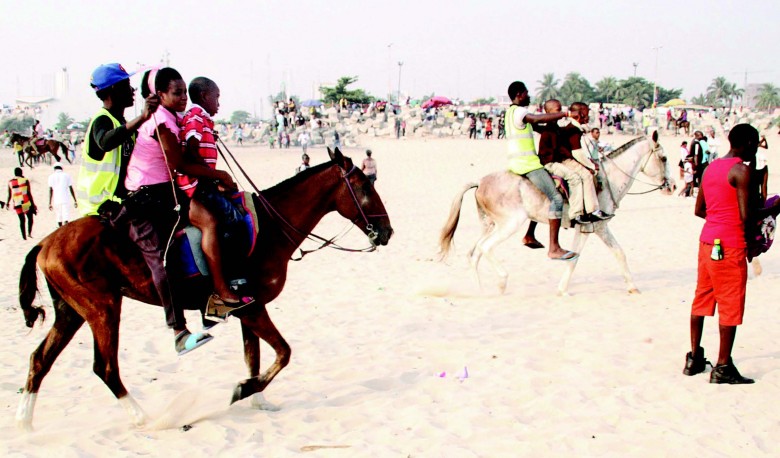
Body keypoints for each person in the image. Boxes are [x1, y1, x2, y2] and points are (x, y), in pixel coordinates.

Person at [125, 67, 213, 355]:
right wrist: (219, 176)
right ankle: (178, 331)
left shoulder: (173, 117)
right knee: (162, 261)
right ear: (159, 95)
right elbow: (180, 164)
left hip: (163, 194)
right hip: (144, 198)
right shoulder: (160, 121)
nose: (183, 98)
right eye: (176, 93)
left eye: (185, 92)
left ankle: (210, 305)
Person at [684, 123, 780, 384]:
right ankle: (723, 366)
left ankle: (694, 358)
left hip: (707, 242)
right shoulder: (742, 170)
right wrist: (773, 208)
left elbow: (699, 210)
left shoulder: (711, 168)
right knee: (730, 302)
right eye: (756, 143)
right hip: (730, 244)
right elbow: (747, 216)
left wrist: (718, 219)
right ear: (748, 143)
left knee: (702, 298)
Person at [175, 76, 254, 320]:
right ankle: (229, 285)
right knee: (233, 221)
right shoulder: (196, 118)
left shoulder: (202, 120)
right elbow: (191, 156)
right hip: (196, 186)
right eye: (216, 97)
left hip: (205, 183)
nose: (219, 103)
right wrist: (217, 176)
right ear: (204, 96)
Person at [77, 62, 159, 217]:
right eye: (127, 85)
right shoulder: (102, 120)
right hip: (100, 203)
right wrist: (142, 117)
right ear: (115, 89)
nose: (132, 90)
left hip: (118, 200)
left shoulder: (121, 122)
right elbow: (105, 142)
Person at [505, 81, 576, 260]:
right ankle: (554, 247)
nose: (529, 96)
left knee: (540, 197)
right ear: (519, 94)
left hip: (515, 162)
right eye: (527, 93)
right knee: (556, 198)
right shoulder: (521, 112)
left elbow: (539, 127)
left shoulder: (510, 113)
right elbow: (537, 120)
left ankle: (530, 234)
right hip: (528, 164)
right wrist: (566, 113)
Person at [539, 100, 610, 224]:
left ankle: (591, 210)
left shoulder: (560, 127)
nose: (561, 113)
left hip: (561, 159)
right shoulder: (571, 129)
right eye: (558, 110)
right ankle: (578, 213)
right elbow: (577, 154)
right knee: (578, 177)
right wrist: (591, 165)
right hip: (554, 161)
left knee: (586, 175)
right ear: (580, 114)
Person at [7, 167, 36, 240]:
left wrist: (7, 203)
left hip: (17, 203)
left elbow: (9, 195)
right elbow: (28, 193)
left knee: (22, 220)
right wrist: (33, 204)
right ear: (21, 173)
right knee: (30, 218)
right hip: (25, 201)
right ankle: (29, 233)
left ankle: (24, 237)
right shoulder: (25, 180)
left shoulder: (10, 182)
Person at [48, 162, 77, 226]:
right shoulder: (66, 175)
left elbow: (50, 190)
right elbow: (71, 188)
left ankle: (60, 228)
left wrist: (50, 202)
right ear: (62, 168)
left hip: (56, 199)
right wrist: (75, 200)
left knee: (58, 215)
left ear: (54, 169)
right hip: (65, 198)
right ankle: (65, 228)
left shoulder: (51, 177)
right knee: (66, 215)